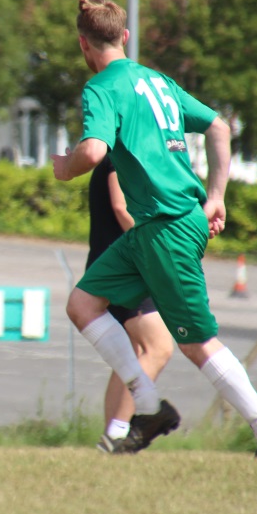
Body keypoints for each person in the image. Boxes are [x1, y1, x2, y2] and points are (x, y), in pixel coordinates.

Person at [52, 0, 257, 457]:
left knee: (197, 344)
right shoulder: (159, 82)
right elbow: (219, 127)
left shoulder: (101, 87)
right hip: (151, 230)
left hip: (166, 228)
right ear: (125, 37)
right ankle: (148, 406)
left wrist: (64, 166)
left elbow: (93, 151)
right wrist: (217, 196)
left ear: (83, 44)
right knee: (83, 304)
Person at [87, 157, 173, 453]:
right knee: (158, 348)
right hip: (126, 267)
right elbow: (121, 207)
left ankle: (111, 438)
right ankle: (119, 434)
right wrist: (157, 250)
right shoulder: (121, 153)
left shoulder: (130, 151)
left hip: (118, 265)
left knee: (132, 355)